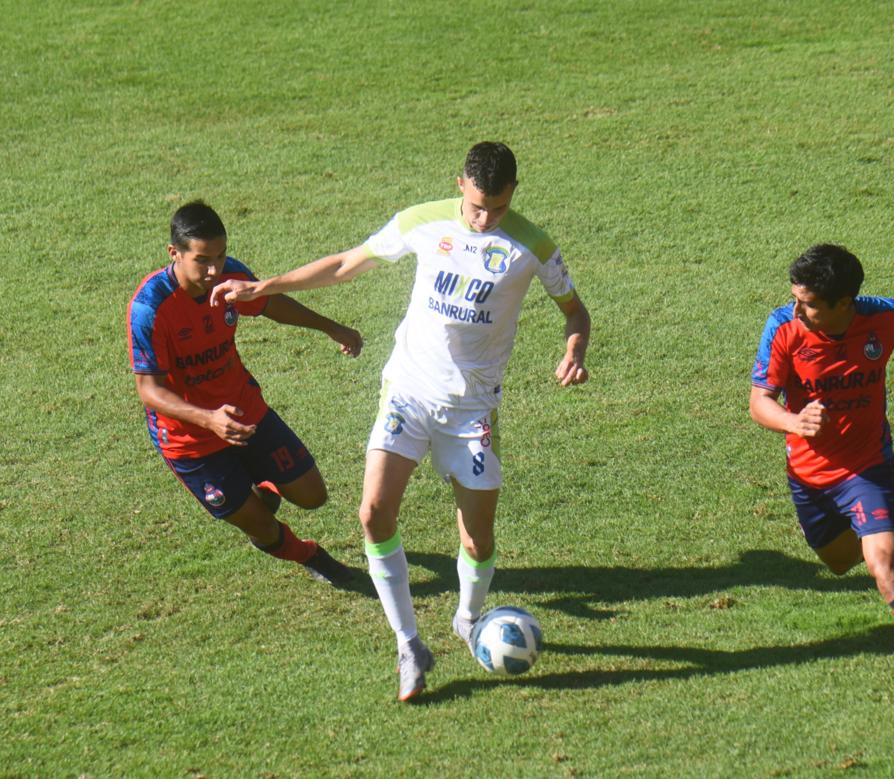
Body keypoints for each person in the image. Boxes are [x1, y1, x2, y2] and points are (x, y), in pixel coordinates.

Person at [211, 142, 591, 700]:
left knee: (478, 539)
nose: (486, 219)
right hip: (407, 392)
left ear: (514, 195)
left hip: (472, 411)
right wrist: (265, 286)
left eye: (499, 208)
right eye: (479, 206)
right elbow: (346, 264)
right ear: (460, 183)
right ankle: (409, 643)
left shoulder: (532, 246)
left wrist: (575, 348)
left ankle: (467, 617)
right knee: (373, 513)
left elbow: (574, 309)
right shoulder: (421, 221)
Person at [750, 243, 894, 738]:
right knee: (839, 561)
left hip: (868, 470)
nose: (798, 308)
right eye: (795, 297)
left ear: (844, 303)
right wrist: (793, 420)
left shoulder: (880, 319)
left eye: (810, 302)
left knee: (887, 570)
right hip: (809, 478)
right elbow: (759, 402)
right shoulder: (784, 328)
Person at [127, 201, 362, 587]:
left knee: (312, 495)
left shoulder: (229, 276)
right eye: (202, 260)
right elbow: (149, 391)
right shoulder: (150, 308)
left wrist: (330, 327)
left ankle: (259, 487)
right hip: (190, 440)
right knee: (265, 528)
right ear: (174, 253)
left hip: (244, 410)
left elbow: (270, 304)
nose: (214, 270)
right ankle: (312, 555)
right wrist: (209, 419)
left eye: (219, 256)